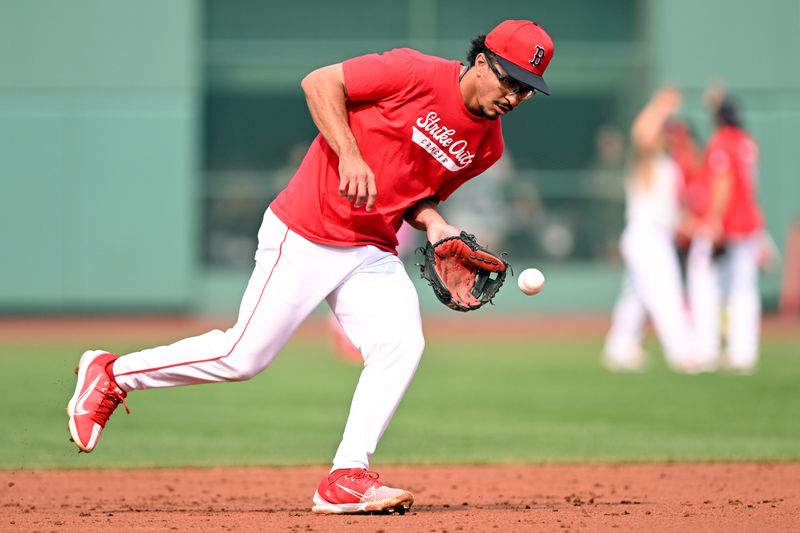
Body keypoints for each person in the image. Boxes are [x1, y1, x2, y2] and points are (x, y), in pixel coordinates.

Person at [66, 20, 555, 514]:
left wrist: (435, 224)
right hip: (306, 230)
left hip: (370, 247)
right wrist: (348, 154)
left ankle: (346, 475)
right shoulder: (413, 72)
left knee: (401, 344)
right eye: (510, 80)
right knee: (243, 357)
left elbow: (413, 194)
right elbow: (320, 82)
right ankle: (113, 372)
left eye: (527, 89)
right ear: (481, 61)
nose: (514, 96)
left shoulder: (487, 146)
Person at [603, 87, 695, 372]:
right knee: (665, 291)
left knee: (636, 296)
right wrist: (660, 106)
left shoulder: (670, 164)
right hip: (645, 234)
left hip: (657, 234)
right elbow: (641, 133)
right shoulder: (648, 160)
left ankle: (619, 348)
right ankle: (683, 353)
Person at [686, 93, 764, 373]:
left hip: (727, 225)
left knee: (703, 284)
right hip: (749, 225)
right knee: (743, 290)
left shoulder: (722, 142)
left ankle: (706, 349)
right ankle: (743, 353)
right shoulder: (747, 142)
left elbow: (723, 181)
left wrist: (715, 219)